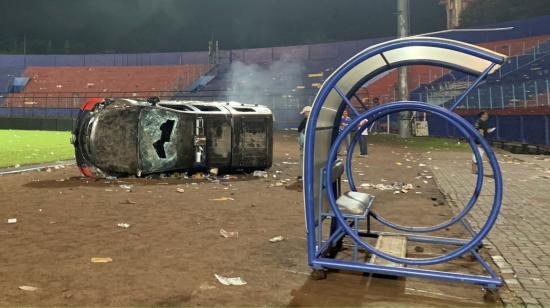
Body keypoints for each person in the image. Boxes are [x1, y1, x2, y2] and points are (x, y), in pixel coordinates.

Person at [286, 105, 311, 191]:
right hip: (309, 143)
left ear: (308, 113)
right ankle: (305, 175)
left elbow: (299, 129)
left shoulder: (305, 121)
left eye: (304, 113)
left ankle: (302, 175)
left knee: (302, 158)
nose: (304, 114)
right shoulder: (314, 121)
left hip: (304, 142)